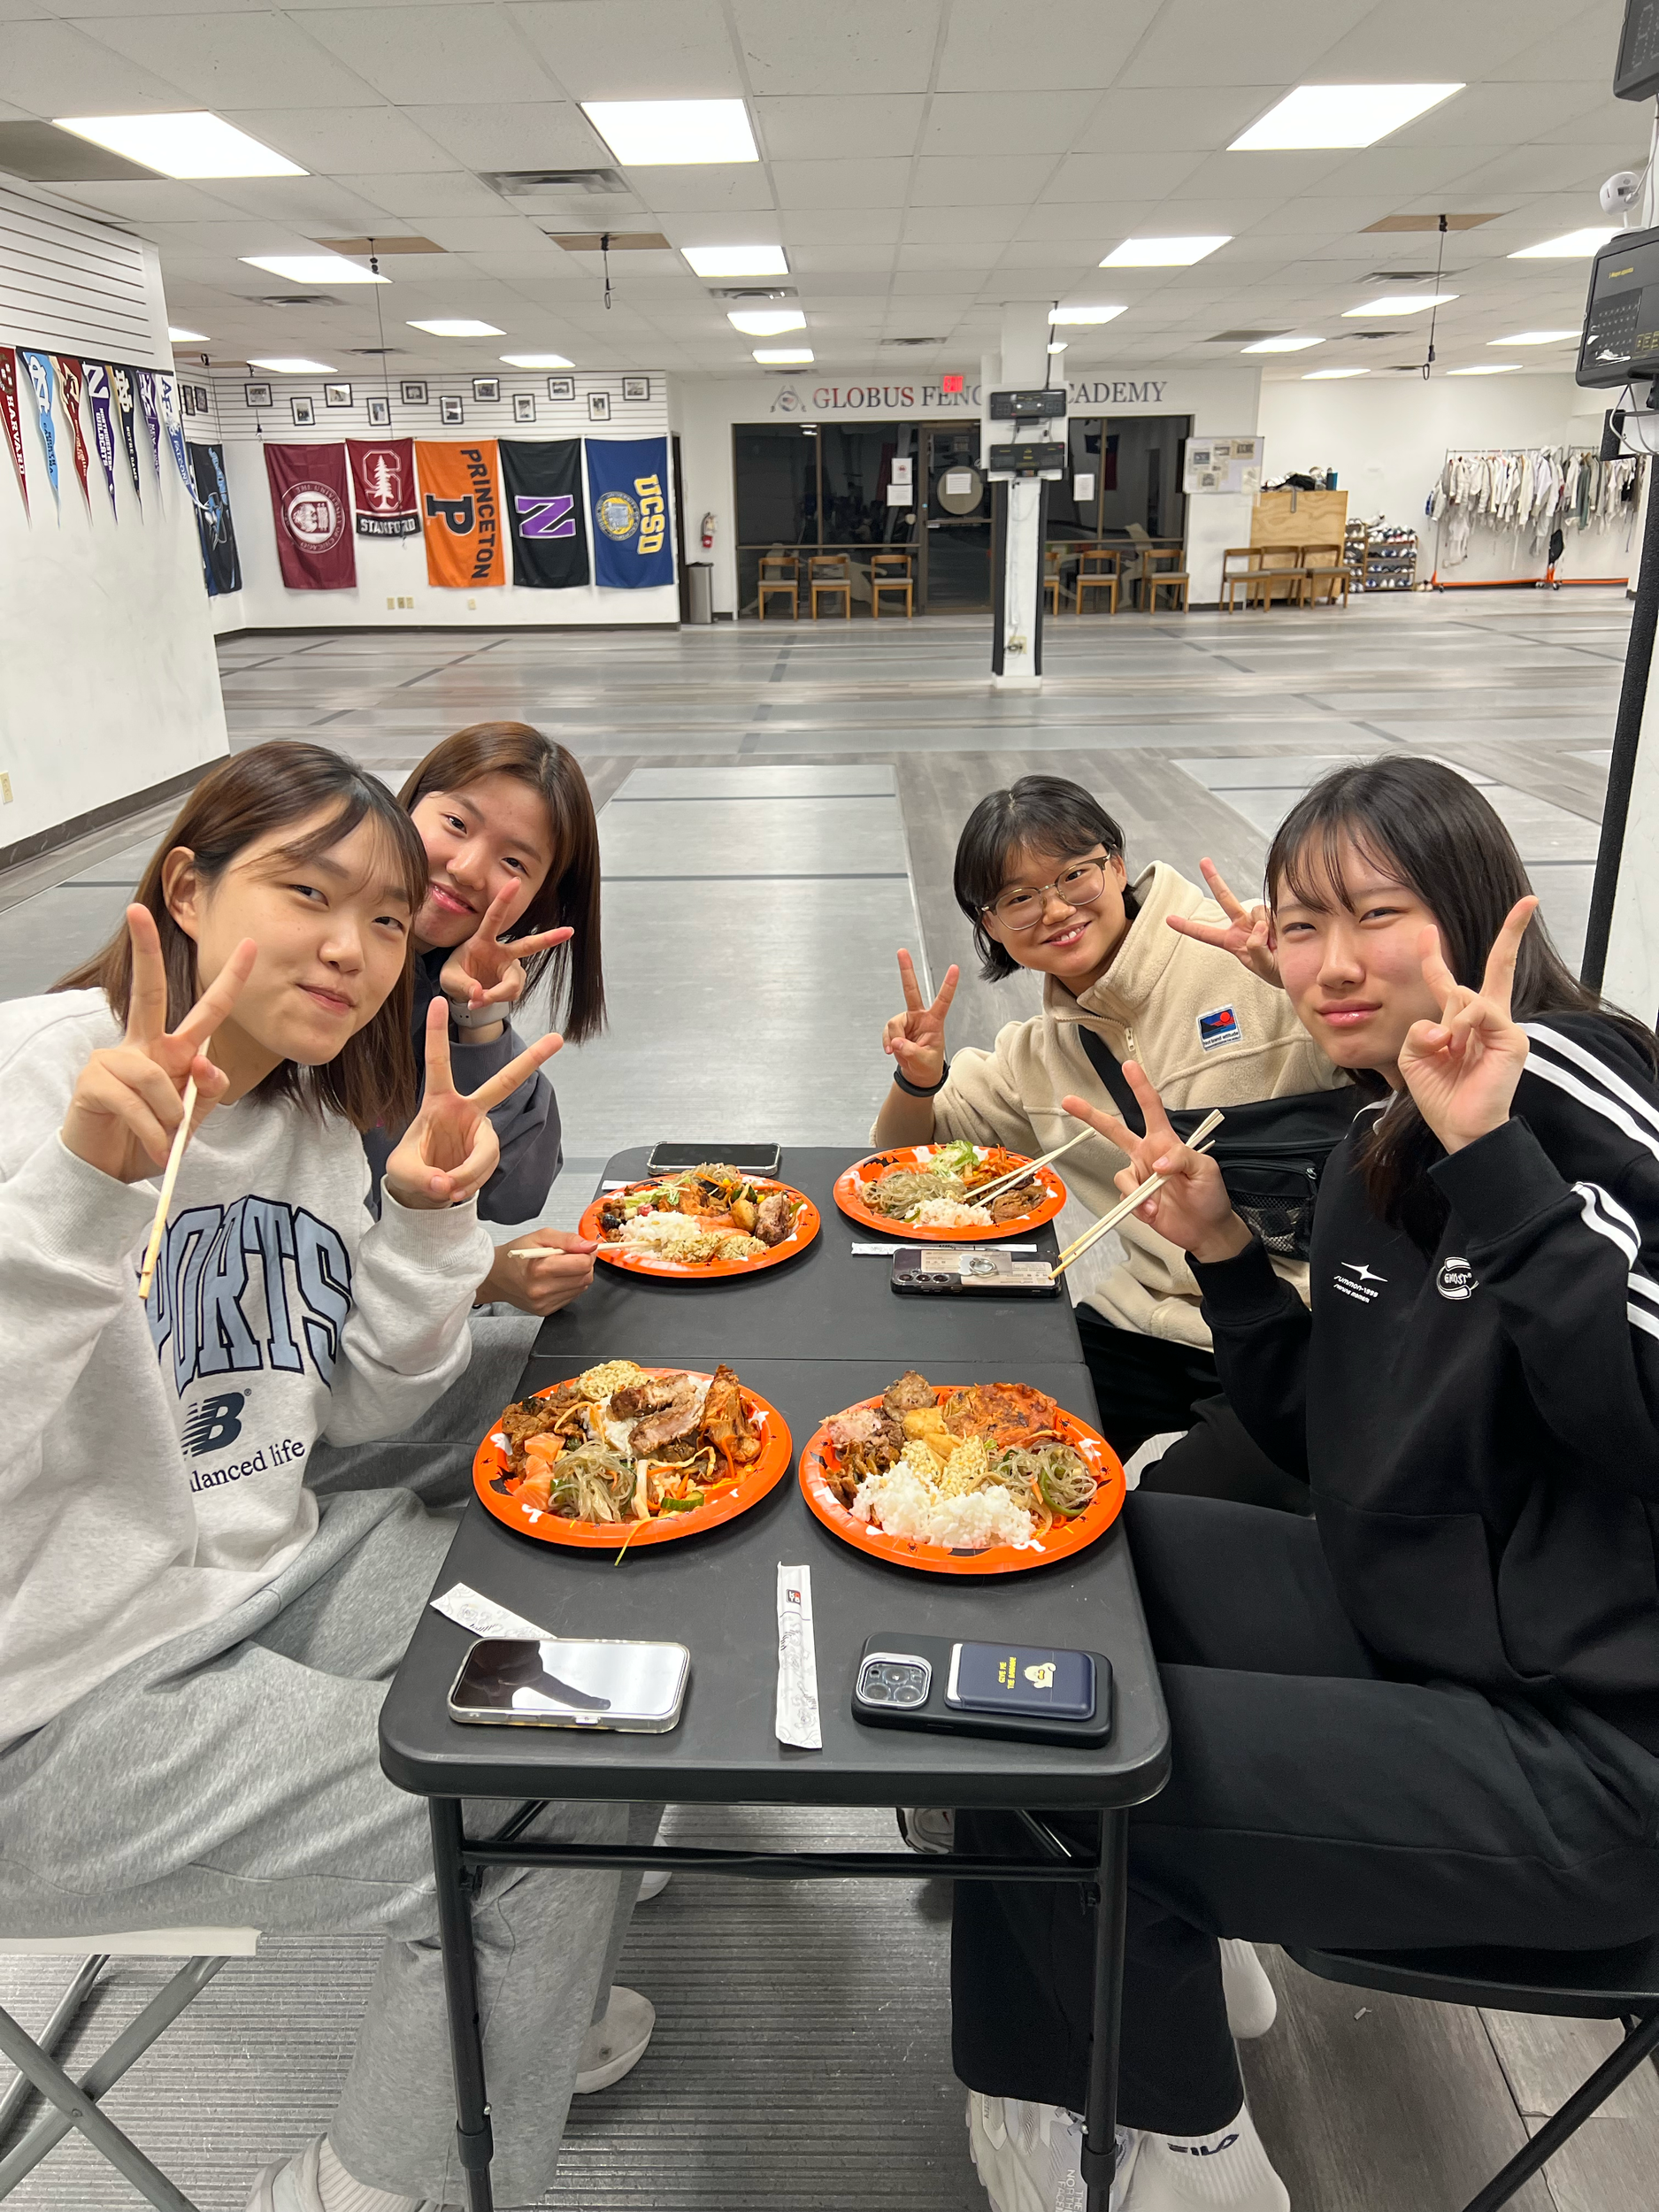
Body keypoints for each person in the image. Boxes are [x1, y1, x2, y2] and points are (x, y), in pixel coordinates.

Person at [951, 757, 1659, 2212]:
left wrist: (1500, 1165)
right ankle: (1128, 1992)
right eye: (1296, 924)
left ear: (1471, 913)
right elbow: (1331, 1441)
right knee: (1054, 1569)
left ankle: (1179, 2155)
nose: (1329, 964)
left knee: (1033, 1752)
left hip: (1602, 1755)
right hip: (1433, 1626)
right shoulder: (1370, 1133)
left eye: (1374, 915)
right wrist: (1220, 1249)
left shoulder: (1576, 1086)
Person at [0, 742, 641, 2212]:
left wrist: (420, 1220)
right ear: (187, 887)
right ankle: (372, 2185)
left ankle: (527, 1993)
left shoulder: (300, 1119)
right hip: (45, 1704)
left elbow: (345, 1403)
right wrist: (77, 1197)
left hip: (252, 1563)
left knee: (623, 1671)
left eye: (383, 913)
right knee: (543, 1803)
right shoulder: (31, 1071)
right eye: (310, 892)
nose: (356, 947)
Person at [872, 773, 1343, 1506]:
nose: (1055, 908)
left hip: (1308, 1326)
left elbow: (1404, 1060)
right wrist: (917, 1080)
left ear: (1116, 864)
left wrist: (1306, 982)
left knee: (1164, 1521)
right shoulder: (1037, 1053)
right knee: (972, 1447)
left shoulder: (1253, 954)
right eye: (1018, 898)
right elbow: (910, 1156)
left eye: (1073, 874)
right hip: (1152, 1317)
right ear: (988, 923)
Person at [369, 720, 607, 1321]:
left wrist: (477, 1020)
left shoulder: (436, 979)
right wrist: (481, 1280)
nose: (470, 868)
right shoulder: (323, 986)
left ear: (541, 901)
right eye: (455, 824)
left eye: (513, 861)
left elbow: (515, 1192)